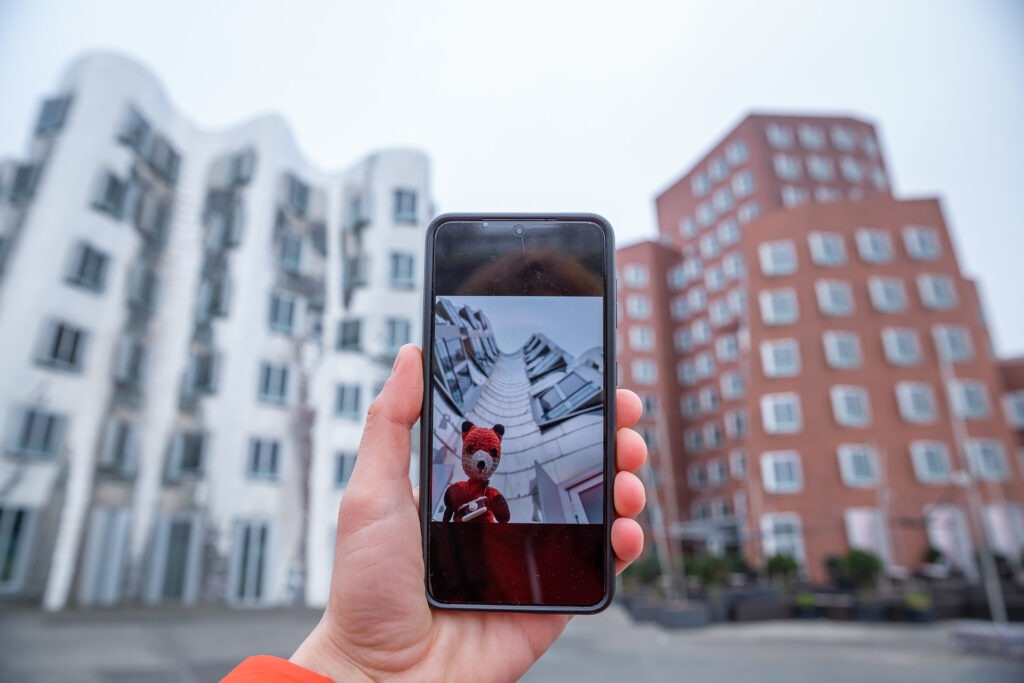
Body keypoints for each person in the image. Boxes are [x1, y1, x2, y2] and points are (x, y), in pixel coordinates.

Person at [223, 345, 647, 682]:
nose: (481, 461)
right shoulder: (458, 489)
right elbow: (444, 513)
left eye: (488, 455)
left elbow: (501, 513)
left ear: (496, 453)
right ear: (465, 449)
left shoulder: (492, 491)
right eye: (475, 454)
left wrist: (350, 666)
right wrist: (354, 660)